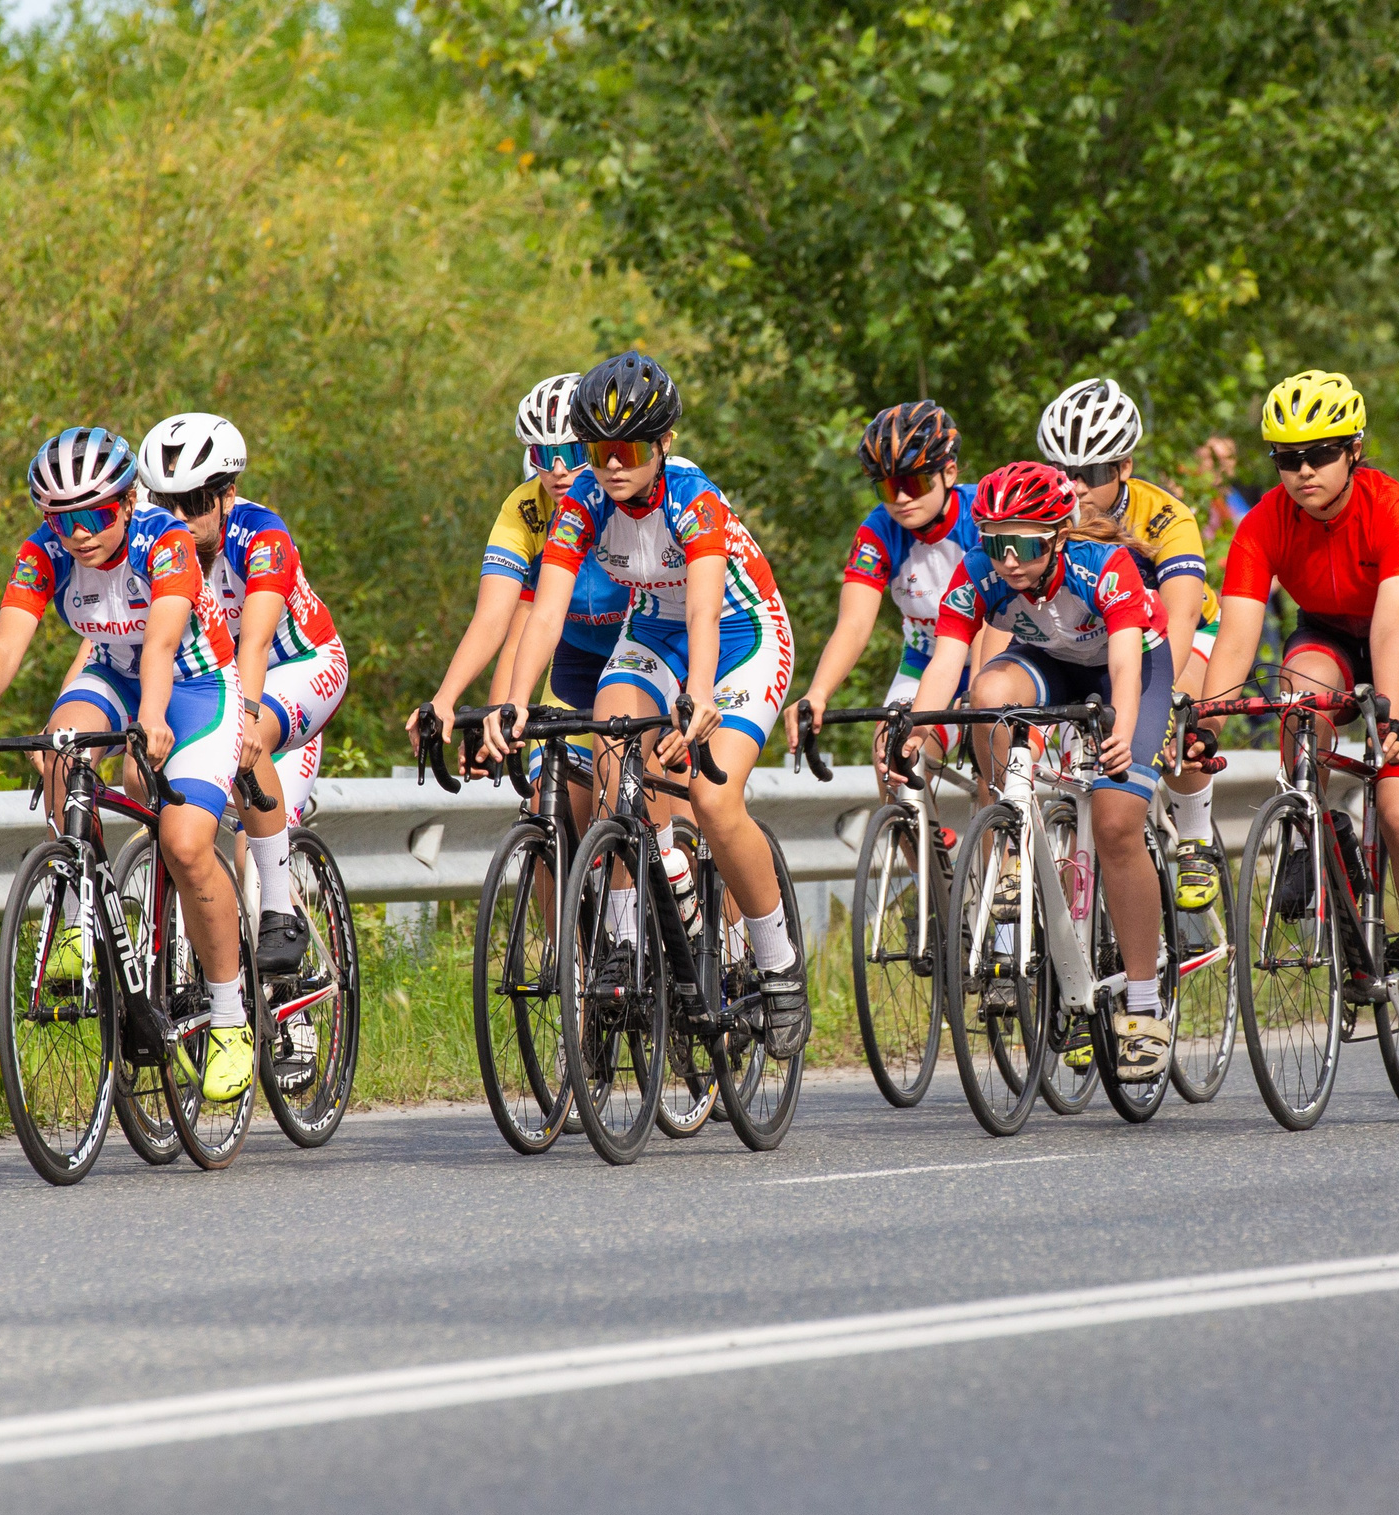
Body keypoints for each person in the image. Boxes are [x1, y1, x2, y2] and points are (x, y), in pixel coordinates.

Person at [481, 351, 809, 1053]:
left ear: (663, 444)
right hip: (654, 628)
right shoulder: (582, 504)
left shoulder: (694, 497)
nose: (610, 464)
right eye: (597, 449)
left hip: (741, 633)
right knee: (614, 738)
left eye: (627, 448)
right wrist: (510, 701)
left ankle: (779, 965)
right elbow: (543, 616)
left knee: (716, 802)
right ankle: (636, 932)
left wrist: (697, 696)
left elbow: (703, 612)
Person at [0, 425, 254, 1101]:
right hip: (113, 674)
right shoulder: (44, 551)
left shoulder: (162, 541)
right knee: (58, 751)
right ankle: (81, 911)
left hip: (194, 688)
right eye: (61, 519)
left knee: (187, 844)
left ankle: (230, 1018)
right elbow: (5, 648)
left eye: (95, 516)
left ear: (128, 501)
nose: (78, 534)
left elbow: (163, 643)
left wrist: (155, 720)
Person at [1197, 370, 1399, 1074]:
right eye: (1287, 458)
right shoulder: (1262, 522)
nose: (1303, 471)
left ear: (1354, 450)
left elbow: (1390, 630)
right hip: (1326, 634)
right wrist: (1208, 722)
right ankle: (1316, 830)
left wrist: (1386, 712)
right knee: (1300, 703)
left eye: (1320, 453)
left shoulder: (1395, 509)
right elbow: (1237, 634)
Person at [897, 461, 1175, 1079]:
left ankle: (1143, 1002)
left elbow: (1127, 668)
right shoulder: (979, 573)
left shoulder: (1102, 567)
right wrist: (920, 726)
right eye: (995, 543)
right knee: (987, 697)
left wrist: (1123, 733)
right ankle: (1014, 837)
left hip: (1126, 671)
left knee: (1115, 824)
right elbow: (946, 664)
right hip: (1052, 659)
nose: (1008, 562)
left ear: (1056, 535)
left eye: (1022, 544)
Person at [138, 414, 347, 982]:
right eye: (166, 500)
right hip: (217, 682)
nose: (179, 517)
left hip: (296, 667)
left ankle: (280, 913)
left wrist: (247, 719)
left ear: (227, 493)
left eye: (196, 501)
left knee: (250, 856)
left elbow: (253, 642)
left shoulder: (261, 536)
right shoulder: (154, 543)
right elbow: (115, 638)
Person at [1036, 377, 1227, 909]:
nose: (1073, 487)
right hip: (1098, 641)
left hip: (1175, 631)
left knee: (1187, 711)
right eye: (1064, 472)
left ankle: (1194, 838)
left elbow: (1182, 618)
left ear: (1123, 468)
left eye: (1091, 474)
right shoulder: (1047, 515)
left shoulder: (1166, 517)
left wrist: (1163, 703)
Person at [407, 372, 632, 809]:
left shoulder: (621, 500)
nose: (559, 470)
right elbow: (500, 621)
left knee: (640, 799)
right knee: (547, 805)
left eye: (570, 452)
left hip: (647, 648)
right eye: (544, 456)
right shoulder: (526, 510)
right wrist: (447, 700)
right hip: (580, 659)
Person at [785, 399, 980, 787]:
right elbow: (854, 625)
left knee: (993, 766)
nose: (902, 499)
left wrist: (976, 689)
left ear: (950, 472)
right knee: (888, 751)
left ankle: (996, 844)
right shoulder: (878, 531)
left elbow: (997, 615)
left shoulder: (980, 515)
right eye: (889, 488)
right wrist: (818, 693)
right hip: (925, 659)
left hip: (989, 656)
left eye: (915, 483)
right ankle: (915, 841)